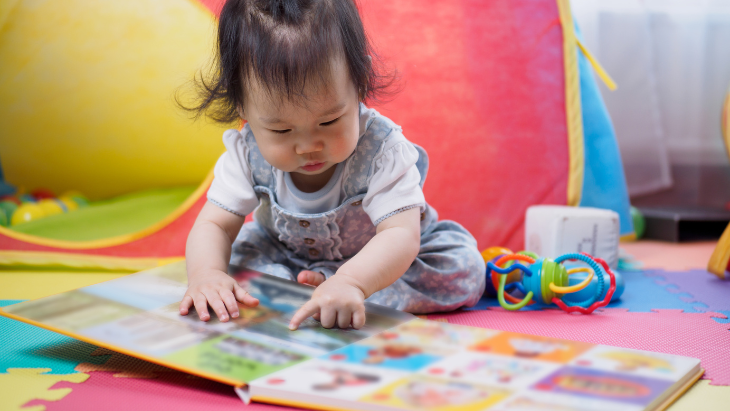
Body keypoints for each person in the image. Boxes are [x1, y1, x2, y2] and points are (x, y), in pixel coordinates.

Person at [178, 0, 485, 331]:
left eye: (329, 121)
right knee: (236, 263)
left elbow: (400, 235)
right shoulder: (245, 151)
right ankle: (312, 290)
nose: (309, 146)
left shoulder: (382, 149)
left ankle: (333, 292)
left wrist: (351, 281)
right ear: (242, 105)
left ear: (359, 83)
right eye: (281, 130)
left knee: (463, 268)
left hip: (384, 261)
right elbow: (215, 226)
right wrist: (206, 275)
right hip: (286, 254)